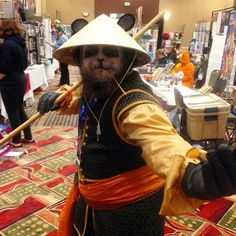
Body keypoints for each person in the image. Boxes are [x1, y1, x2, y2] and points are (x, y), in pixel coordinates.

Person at [37, 14, 236, 236]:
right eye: (91, 52)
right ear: (80, 59)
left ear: (126, 59)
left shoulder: (135, 104)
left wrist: (192, 174)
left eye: (110, 52)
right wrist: (59, 97)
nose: (100, 59)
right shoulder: (97, 84)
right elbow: (80, 97)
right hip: (90, 203)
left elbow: (160, 140)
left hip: (129, 213)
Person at [0, 19, 34, 147]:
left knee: (13, 112)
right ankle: (28, 136)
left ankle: (16, 140)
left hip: (10, 82)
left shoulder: (7, 45)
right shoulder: (21, 43)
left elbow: (3, 68)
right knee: (19, 110)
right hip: (20, 79)